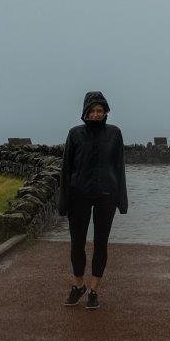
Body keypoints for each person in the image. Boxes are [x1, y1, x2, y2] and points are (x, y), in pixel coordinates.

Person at [57, 90, 128, 310]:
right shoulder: (75, 134)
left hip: (106, 196)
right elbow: (66, 169)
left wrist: (122, 200)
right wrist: (63, 201)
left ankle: (94, 290)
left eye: (100, 111)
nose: (97, 114)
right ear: (85, 112)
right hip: (79, 196)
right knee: (77, 244)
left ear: (105, 112)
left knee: (100, 244)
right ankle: (79, 285)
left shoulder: (114, 133)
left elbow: (119, 167)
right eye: (93, 111)